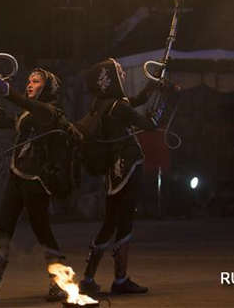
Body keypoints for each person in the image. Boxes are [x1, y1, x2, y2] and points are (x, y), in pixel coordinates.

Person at [0, 55, 79, 304]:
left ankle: (59, 285)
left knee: (43, 232)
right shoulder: (29, 114)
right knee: (3, 230)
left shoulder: (46, 111)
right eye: (29, 80)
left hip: (36, 181)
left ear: (47, 88)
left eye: (36, 81)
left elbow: (13, 96)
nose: (30, 84)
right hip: (17, 176)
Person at [77, 58, 158, 296]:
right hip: (128, 168)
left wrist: (154, 82)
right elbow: (150, 123)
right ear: (110, 78)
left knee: (110, 222)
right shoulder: (119, 106)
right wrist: (170, 99)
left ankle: (88, 278)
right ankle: (120, 279)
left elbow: (139, 100)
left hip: (114, 172)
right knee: (124, 223)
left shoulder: (103, 104)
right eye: (119, 71)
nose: (123, 74)